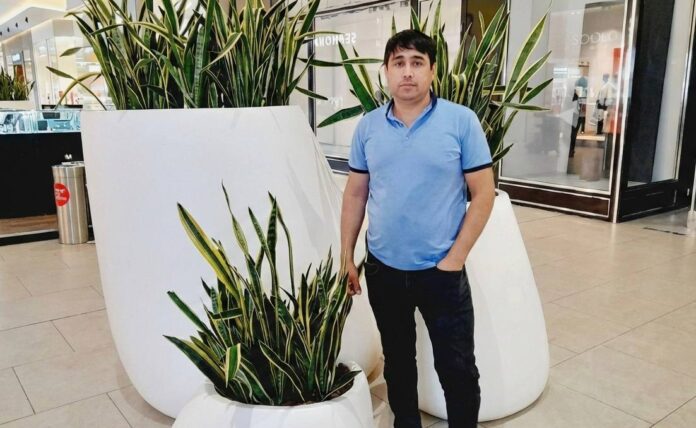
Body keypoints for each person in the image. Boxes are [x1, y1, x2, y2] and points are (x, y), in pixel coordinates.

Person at [340, 30, 496, 428]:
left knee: (457, 367)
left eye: (417, 63)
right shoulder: (368, 127)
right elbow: (355, 194)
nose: (407, 72)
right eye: (399, 63)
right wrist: (347, 256)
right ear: (386, 71)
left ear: (432, 71)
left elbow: (483, 194)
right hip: (384, 269)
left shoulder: (460, 121)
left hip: (442, 271)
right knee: (398, 363)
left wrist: (454, 259)